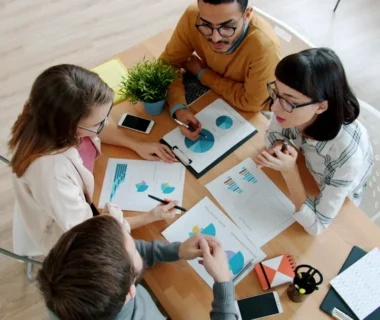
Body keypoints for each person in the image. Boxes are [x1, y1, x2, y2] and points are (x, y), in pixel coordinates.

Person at [8, 64, 178, 256]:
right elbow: (90, 230)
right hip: (66, 236)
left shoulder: (47, 114)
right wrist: (149, 217)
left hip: (69, 202)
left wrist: (136, 144)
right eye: (98, 123)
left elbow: (93, 127)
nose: (105, 124)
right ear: (68, 126)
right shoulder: (52, 174)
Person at [255, 48, 374, 236]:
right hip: (308, 172)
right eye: (276, 93)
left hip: (336, 199)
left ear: (321, 106)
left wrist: (289, 170)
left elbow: (317, 225)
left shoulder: (346, 155)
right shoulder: (292, 110)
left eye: (289, 100)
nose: (275, 106)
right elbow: (272, 135)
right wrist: (280, 147)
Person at [37, 215, 238, 320]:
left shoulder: (61, 291)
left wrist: (176, 251)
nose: (138, 245)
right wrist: (224, 283)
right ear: (130, 291)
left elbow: (124, 256)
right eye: (134, 250)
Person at [160, 0, 280, 139]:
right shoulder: (192, 16)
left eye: (228, 27)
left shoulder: (264, 47)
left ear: (247, 15)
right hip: (215, 96)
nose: (215, 38)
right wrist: (178, 108)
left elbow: (251, 103)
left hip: (254, 116)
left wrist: (202, 73)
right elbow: (167, 64)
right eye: (206, 25)